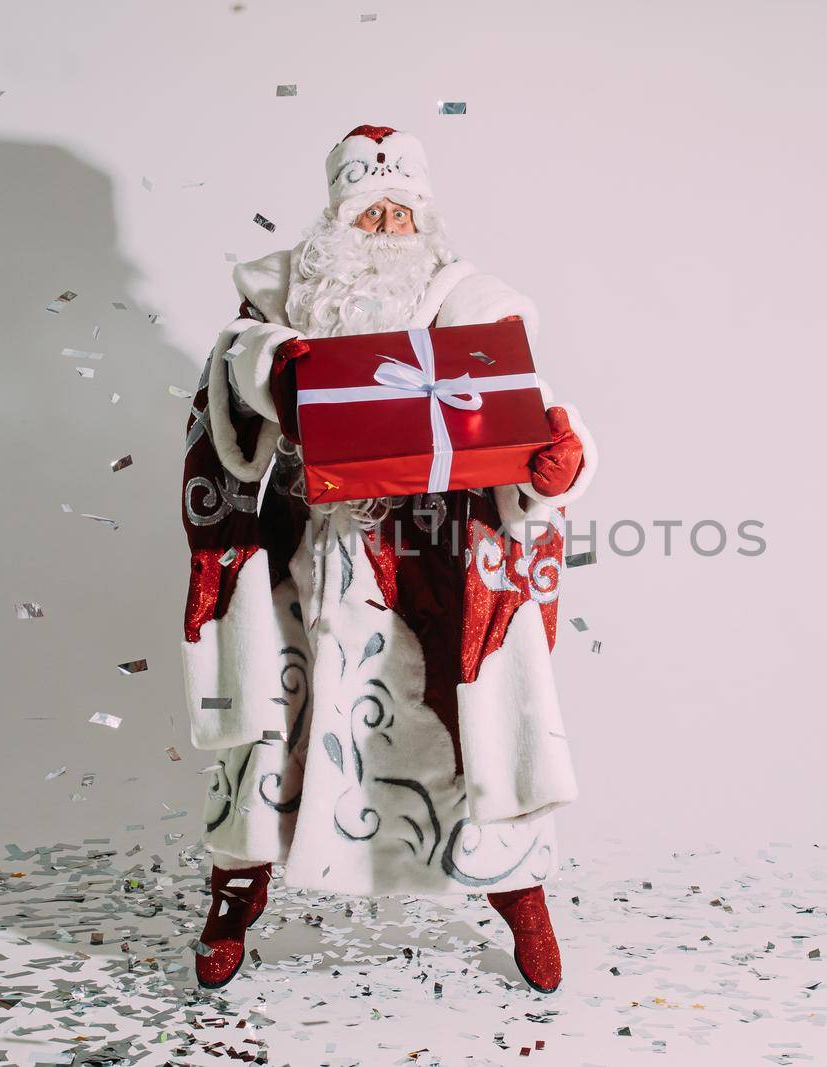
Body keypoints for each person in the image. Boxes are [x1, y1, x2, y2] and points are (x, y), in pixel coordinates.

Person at [178, 125, 597, 992]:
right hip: (301, 549)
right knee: (273, 730)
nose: (387, 227)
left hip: (433, 559)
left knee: (469, 731)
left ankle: (520, 892)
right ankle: (237, 888)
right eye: (369, 212)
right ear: (335, 212)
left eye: (403, 212)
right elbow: (229, 378)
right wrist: (273, 371)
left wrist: (563, 462)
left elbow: (531, 407)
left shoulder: (475, 299)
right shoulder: (277, 294)